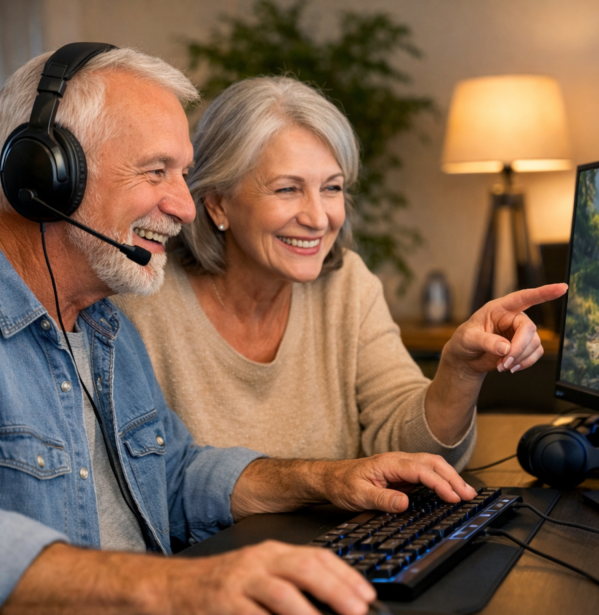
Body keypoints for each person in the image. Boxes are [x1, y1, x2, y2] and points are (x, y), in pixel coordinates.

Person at [0, 46, 479, 615]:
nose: (186, 206)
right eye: (157, 171)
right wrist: (184, 588)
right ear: (50, 175)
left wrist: (326, 478)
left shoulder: (101, 318)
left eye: (182, 174)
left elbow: (174, 475)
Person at [116, 77, 566, 470]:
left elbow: (411, 450)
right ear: (217, 204)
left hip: (340, 539)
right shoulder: (142, 299)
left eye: (331, 188)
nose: (319, 218)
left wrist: (459, 372)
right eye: (287, 189)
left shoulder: (347, 283)